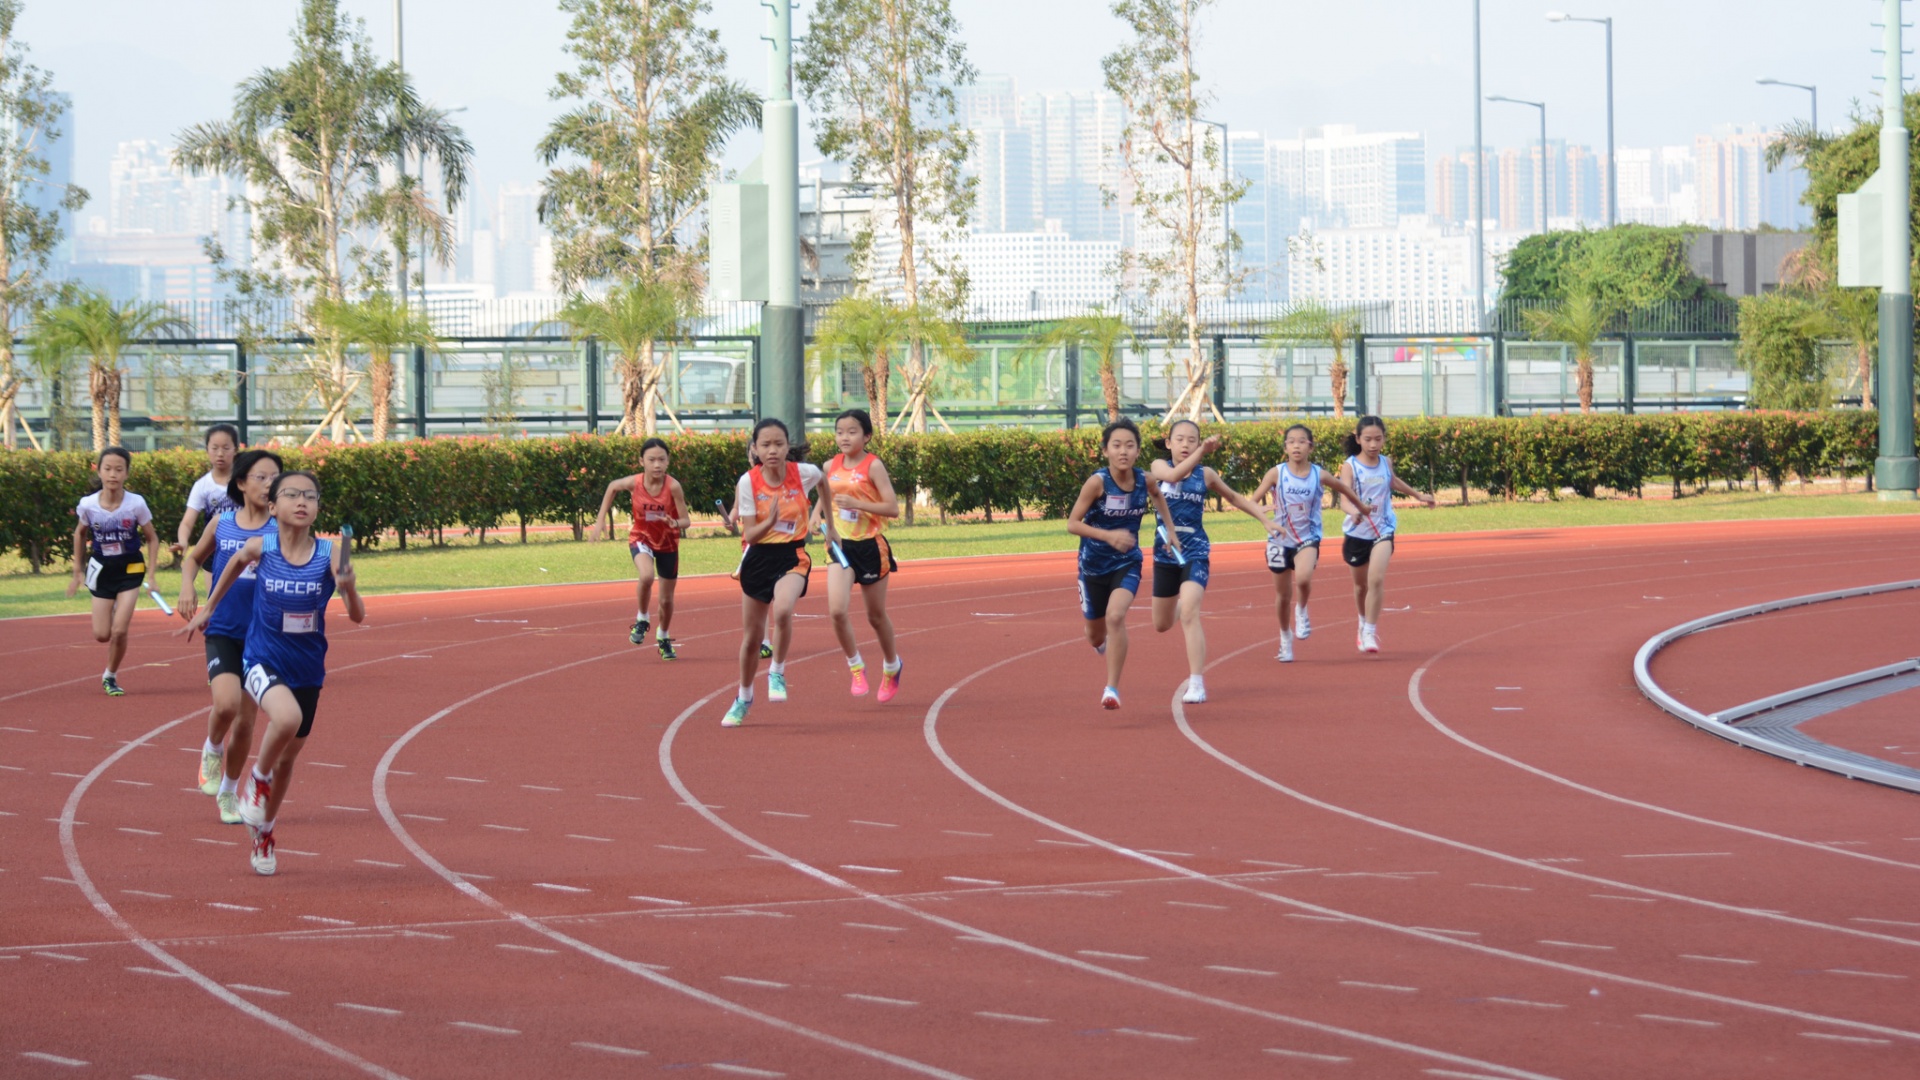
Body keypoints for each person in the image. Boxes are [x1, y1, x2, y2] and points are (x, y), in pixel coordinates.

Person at [179, 471, 365, 876]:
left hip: (307, 668)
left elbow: (357, 616)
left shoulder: (330, 553)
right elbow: (231, 566)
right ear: (274, 506)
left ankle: (263, 832)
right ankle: (255, 779)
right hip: (261, 659)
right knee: (286, 718)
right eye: (292, 494)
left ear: (317, 508)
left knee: (287, 760)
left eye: (310, 496)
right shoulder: (260, 547)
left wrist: (348, 587)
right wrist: (209, 608)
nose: (302, 502)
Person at [178, 449, 282, 822]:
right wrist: (188, 586)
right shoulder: (222, 523)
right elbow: (193, 558)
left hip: (263, 637)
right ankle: (211, 747)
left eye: (275, 478)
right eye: (261, 477)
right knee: (225, 706)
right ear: (241, 482)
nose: (269, 484)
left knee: (246, 721)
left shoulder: (283, 530)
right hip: (223, 626)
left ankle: (228, 791)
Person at [1148, 420, 1282, 703]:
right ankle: (1181, 605)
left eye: (1192, 440)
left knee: (1190, 613)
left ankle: (1196, 683)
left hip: (1195, 552)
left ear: (1198, 444)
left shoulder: (1205, 474)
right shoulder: (1158, 467)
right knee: (1161, 623)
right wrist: (1202, 452)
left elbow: (1234, 497)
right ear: (1169, 443)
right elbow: (1172, 476)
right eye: (1180, 439)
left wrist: (1263, 519)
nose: (1186, 445)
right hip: (1165, 554)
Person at [721, 419, 830, 727]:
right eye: (766, 445)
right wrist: (768, 522)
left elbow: (824, 482)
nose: (773, 450)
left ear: (787, 447)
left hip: (792, 555)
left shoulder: (803, 473)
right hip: (758, 557)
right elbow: (751, 535)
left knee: (782, 610)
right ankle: (743, 698)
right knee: (752, 639)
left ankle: (777, 672)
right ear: (755, 449)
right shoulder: (748, 482)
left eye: (779, 444)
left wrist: (826, 521)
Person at [1065, 418, 1178, 710]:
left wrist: (1170, 530)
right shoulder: (1097, 483)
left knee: (1115, 616)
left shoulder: (1145, 480)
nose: (1123, 451)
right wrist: (1108, 535)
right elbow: (1073, 524)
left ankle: (1111, 689)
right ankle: (1100, 643)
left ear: (1138, 451)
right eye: (1116, 446)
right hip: (1092, 567)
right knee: (1094, 635)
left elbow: (1159, 498)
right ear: (1106, 451)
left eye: (1129, 445)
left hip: (1127, 562)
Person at [1250, 424, 1371, 662]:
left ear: (1310, 447)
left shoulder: (1319, 474)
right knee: (1282, 596)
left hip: (1308, 537)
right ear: (1285, 447)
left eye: (1301, 441)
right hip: (1278, 540)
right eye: (1291, 441)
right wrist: (1262, 515)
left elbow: (1343, 488)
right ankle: (1285, 638)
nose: (1296, 446)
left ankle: (1302, 609)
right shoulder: (1276, 473)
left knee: (1304, 578)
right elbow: (1252, 501)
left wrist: (1360, 507)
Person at [822, 409, 904, 702]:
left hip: (870, 546)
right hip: (841, 547)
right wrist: (817, 517)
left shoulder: (874, 466)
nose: (844, 437)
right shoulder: (829, 465)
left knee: (875, 616)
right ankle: (856, 666)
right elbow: (825, 497)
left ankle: (892, 666)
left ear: (867, 436)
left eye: (852, 431)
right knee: (837, 611)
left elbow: (892, 508)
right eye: (839, 432)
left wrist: (857, 503)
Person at [1337, 415, 1435, 654]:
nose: (1373, 444)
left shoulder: (1385, 462)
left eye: (1378, 439)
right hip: (1357, 532)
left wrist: (1418, 495)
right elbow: (1344, 499)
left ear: (1383, 439)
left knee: (1376, 580)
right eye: (1368, 439)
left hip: (1383, 528)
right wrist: (1355, 512)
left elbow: (1394, 481)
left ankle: (1370, 631)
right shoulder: (1350, 466)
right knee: (1361, 587)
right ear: (1358, 439)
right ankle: (1362, 622)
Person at [66, 447, 161, 696]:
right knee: (102, 635)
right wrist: (77, 570)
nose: (113, 474)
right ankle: (114, 607)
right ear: (99, 471)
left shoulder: (136, 503)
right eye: (107, 469)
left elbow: (152, 538)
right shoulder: (88, 505)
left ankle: (110, 675)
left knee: (119, 631)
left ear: (126, 473)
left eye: (119, 469)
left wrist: (152, 576)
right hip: (102, 570)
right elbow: (79, 533)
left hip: (130, 568)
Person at [590, 437, 691, 660]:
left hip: (667, 543)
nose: (657, 465)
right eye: (651, 460)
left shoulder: (673, 486)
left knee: (666, 601)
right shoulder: (635, 483)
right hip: (641, 538)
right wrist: (600, 520)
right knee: (646, 576)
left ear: (668, 461)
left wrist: (674, 522)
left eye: (661, 460)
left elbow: (686, 521)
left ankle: (663, 636)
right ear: (641, 461)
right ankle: (643, 618)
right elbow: (612, 486)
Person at [173, 424, 240, 558]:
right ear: (207, 450)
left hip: (244, 549)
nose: (220, 454)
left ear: (236, 450)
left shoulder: (246, 481)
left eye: (226, 448)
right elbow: (187, 522)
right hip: (214, 551)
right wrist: (183, 541)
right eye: (214, 448)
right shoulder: (202, 485)